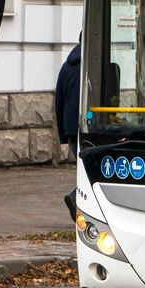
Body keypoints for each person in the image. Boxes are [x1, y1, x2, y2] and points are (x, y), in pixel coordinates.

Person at [53, 40, 81, 221]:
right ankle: (75, 195)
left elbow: (59, 101)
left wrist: (63, 134)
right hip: (89, 127)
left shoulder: (67, 66)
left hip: (71, 129)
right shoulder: (94, 65)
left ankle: (77, 196)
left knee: (85, 169)